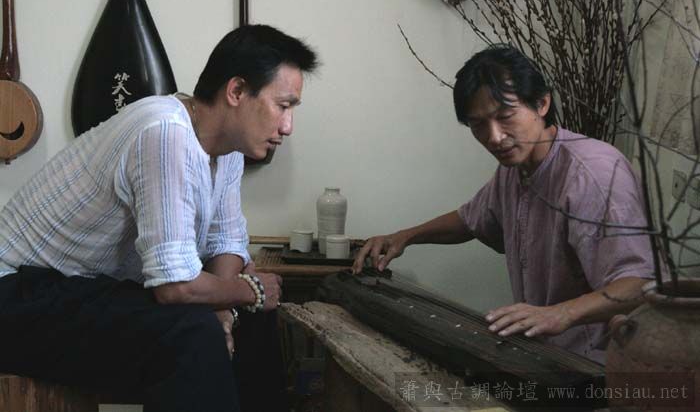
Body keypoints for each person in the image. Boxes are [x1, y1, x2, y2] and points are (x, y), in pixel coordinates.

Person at [0, 24, 318, 411]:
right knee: (191, 334)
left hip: (78, 288)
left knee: (251, 318)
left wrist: (225, 305)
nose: (288, 126)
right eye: (283, 106)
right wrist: (247, 290)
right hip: (16, 292)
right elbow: (174, 286)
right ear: (236, 91)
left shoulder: (229, 147)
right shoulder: (165, 131)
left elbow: (225, 241)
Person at [352, 44, 654, 364]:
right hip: (547, 356)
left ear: (542, 103)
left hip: (599, 367)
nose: (494, 137)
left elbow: (640, 284)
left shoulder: (594, 175)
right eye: (478, 125)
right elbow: (471, 219)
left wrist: (561, 313)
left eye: (505, 116)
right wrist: (404, 237)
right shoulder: (515, 168)